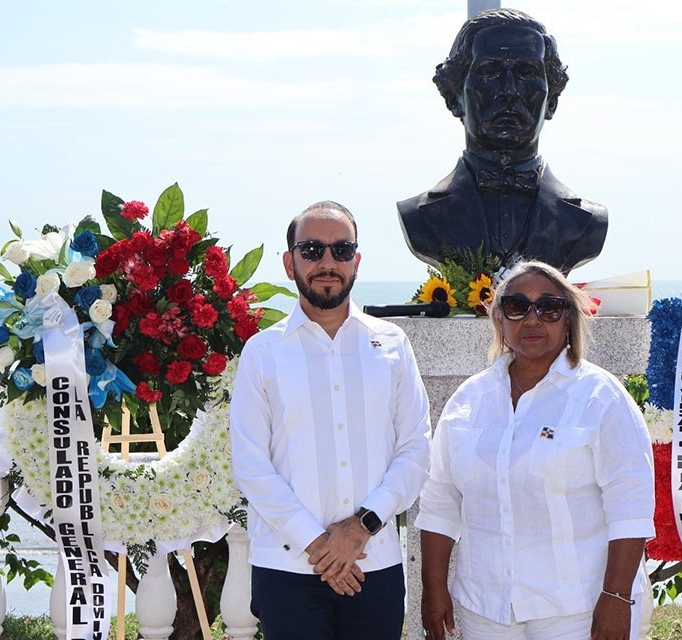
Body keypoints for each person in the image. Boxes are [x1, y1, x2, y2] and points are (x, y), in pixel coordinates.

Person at [416, 260, 655, 639]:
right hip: (485, 610)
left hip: (578, 610)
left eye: (548, 307)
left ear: (568, 320)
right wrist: (433, 589)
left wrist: (616, 597)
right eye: (517, 306)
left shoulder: (602, 397)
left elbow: (631, 506)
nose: (532, 319)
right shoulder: (469, 399)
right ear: (498, 319)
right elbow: (440, 502)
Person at [230, 201, 431, 640]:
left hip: (373, 564)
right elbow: (250, 464)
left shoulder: (393, 345)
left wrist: (361, 528)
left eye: (341, 250)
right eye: (312, 249)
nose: (327, 262)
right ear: (290, 263)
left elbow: (416, 450)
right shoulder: (263, 354)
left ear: (356, 261)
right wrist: (320, 546)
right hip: (287, 568)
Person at [397, 9, 608, 275]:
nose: (509, 89)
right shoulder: (419, 217)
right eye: (489, 71)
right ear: (454, 98)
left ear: (551, 101)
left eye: (526, 72)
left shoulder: (589, 222)